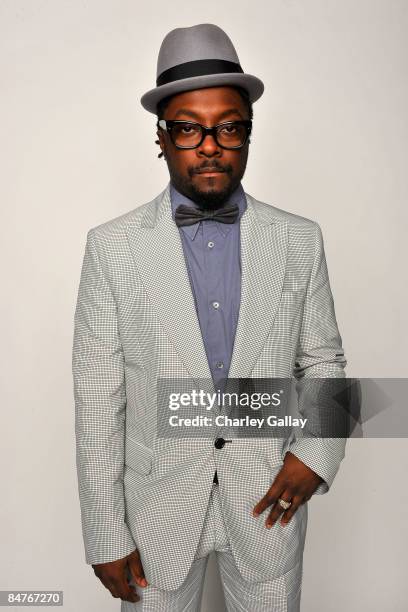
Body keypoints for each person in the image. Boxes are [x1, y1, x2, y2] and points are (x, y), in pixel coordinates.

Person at [72, 23, 347, 611]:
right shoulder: (111, 248)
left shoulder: (299, 239)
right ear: (162, 138)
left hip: (270, 507)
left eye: (228, 126)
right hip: (155, 519)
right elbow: (97, 402)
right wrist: (104, 534)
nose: (210, 144)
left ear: (248, 133)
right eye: (188, 128)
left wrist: (316, 453)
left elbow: (323, 360)